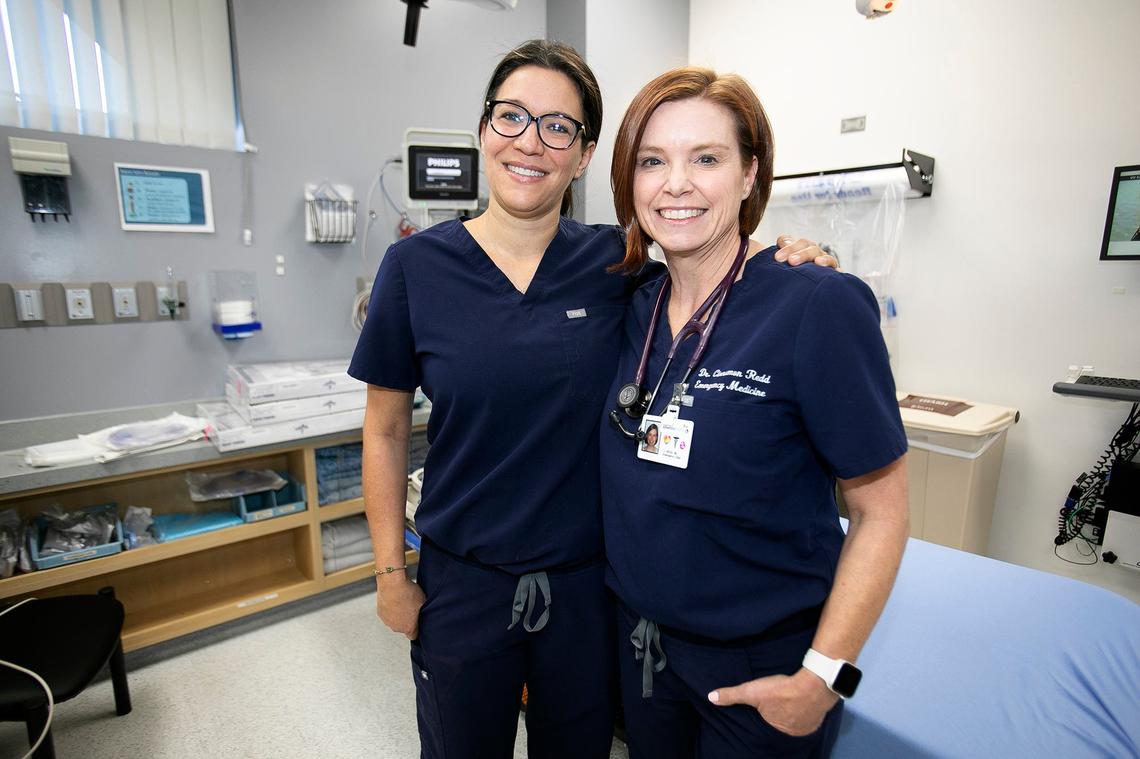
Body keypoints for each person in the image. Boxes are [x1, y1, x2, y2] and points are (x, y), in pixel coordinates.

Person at [349, 40, 834, 759]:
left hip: (587, 592)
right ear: (483, 130)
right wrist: (391, 573)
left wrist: (789, 256)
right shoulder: (414, 269)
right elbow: (385, 432)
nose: (530, 142)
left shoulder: (620, 262)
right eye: (512, 117)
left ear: (582, 155)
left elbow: (709, 260)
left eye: (559, 126)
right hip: (464, 584)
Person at [600, 67, 910, 759]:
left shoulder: (815, 305)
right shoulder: (632, 302)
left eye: (706, 158)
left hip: (760, 667)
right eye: (653, 161)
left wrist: (822, 679)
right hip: (643, 654)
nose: (675, 183)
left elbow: (881, 512)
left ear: (749, 175)